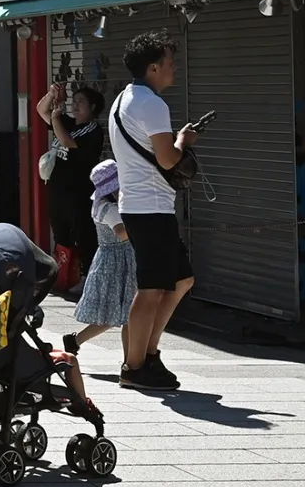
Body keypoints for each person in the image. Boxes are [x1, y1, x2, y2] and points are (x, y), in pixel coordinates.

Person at [108, 31, 198, 393]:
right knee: (151, 288)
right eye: (170, 63)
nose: (174, 69)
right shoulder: (151, 104)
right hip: (151, 206)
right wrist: (183, 141)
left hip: (140, 204)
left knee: (180, 280)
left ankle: (147, 354)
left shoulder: (122, 100)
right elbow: (167, 158)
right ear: (153, 68)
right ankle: (135, 364)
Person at [38, 82, 106, 286]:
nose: (75, 105)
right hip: (58, 189)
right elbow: (41, 110)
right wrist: (51, 94)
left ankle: (88, 280)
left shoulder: (93, 130)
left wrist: (56, 117)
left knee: (84, 236)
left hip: (79, 192)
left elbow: (67, 141)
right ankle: (66, 277)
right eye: (74, 101)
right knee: (61, 234)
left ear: (93, 107)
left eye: (81, 102)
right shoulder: (68, 122)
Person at [67, 158, 134, 356]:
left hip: (114, 260)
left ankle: (75, 340)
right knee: (129, 314)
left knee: (117, 314)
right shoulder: (109, 209)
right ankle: (131, 360)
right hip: (117, 263)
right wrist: (139, 224)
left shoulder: (98, 205)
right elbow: (121, 233)